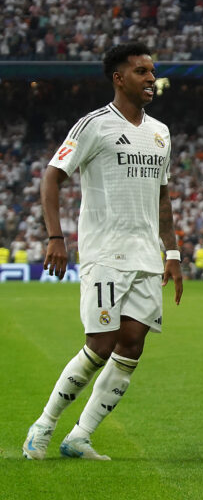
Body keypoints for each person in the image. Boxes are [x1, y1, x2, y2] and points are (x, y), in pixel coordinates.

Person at [22, 42, 183, 461]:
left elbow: (163, 198)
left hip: (147, 256)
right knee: (100, 343)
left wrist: (174, 254)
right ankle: (43, 425)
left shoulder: (161, 132)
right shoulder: (94, 125)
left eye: (153, 71)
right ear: (118, 77)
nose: (151, 78)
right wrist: (56, 237)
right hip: (106, 252)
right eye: (141, 71)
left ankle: (81, 436)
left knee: (132, 344)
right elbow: (51, 178)